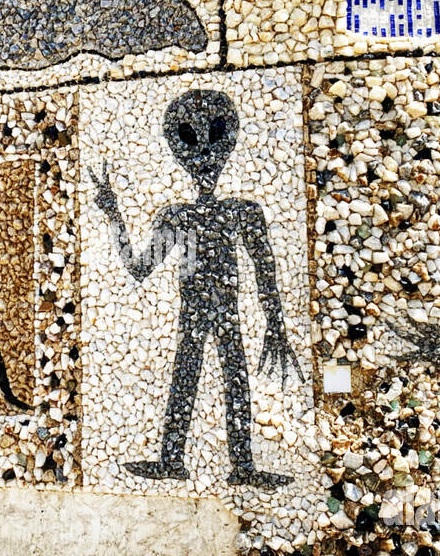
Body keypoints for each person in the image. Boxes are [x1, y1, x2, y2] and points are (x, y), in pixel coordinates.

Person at [89, 89, 299, 487]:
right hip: (196, 310)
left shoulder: (243, 213)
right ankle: (177, 461)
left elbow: (264, 269)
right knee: (190, 377)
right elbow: (139, 267)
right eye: (189, 139)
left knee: (231, 375)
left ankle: (241, 467)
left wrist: (276, 325)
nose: (203, 153)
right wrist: (113, 212)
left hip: (224, 308)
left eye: (214, 135)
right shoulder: (177, 216)